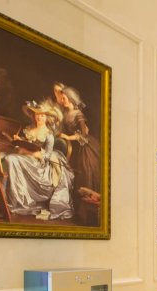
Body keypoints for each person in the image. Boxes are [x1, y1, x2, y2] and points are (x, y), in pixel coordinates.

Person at [1, 101, 74, 220]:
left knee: (11, 159)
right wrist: (19, 141)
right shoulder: (29, 129)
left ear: (47, 118)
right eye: (37, 114)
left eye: (42, 115)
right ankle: (0, 195)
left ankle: (15, 200)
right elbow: (23, 145)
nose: (39, 117)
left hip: (38, 164)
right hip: (25, 158)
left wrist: (29, 153)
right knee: (2, 157)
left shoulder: (48, 135)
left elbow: (46, 156)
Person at [57, 85, 102, 226]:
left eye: (64, 98)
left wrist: (67, 137)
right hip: (74, 148)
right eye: (61, 98)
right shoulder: (66, 114)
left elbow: (84, 134)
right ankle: (74, 210)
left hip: (84, 147)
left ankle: (85, 213)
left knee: (85, 174)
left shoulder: (78, 114)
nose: (62, 101)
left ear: (71, 99)